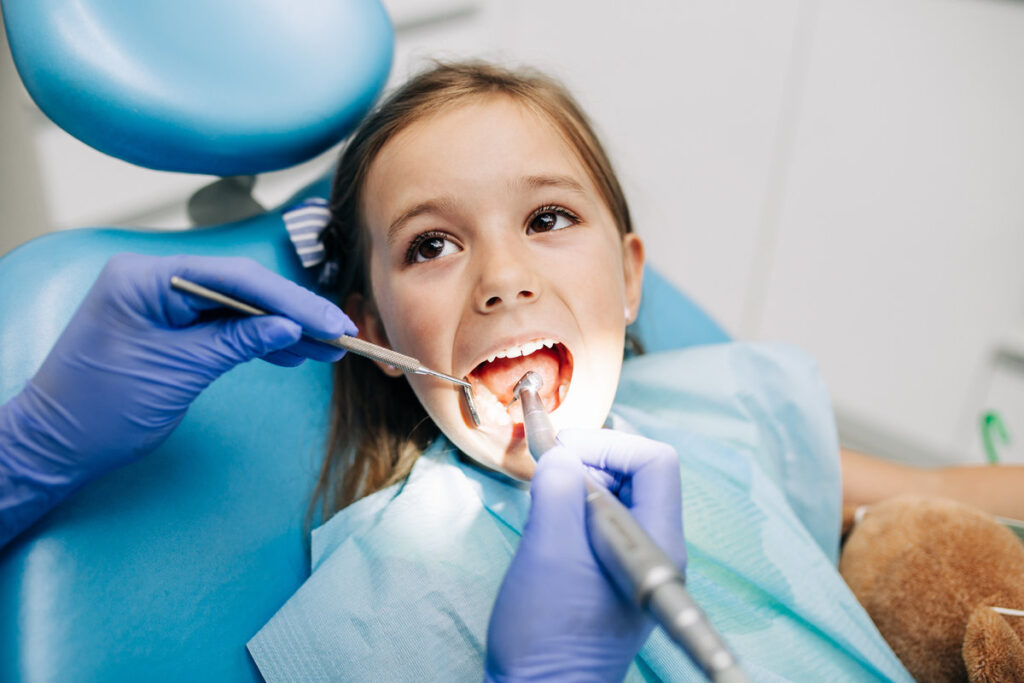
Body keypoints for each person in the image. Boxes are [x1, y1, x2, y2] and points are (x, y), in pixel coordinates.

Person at [0, 253, 677, 680]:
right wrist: (27, 450)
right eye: (431, 246)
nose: (502, 280)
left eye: (547, 219)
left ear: (628, 274)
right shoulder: (373, 616)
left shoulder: (758, 392)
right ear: (375, 335)